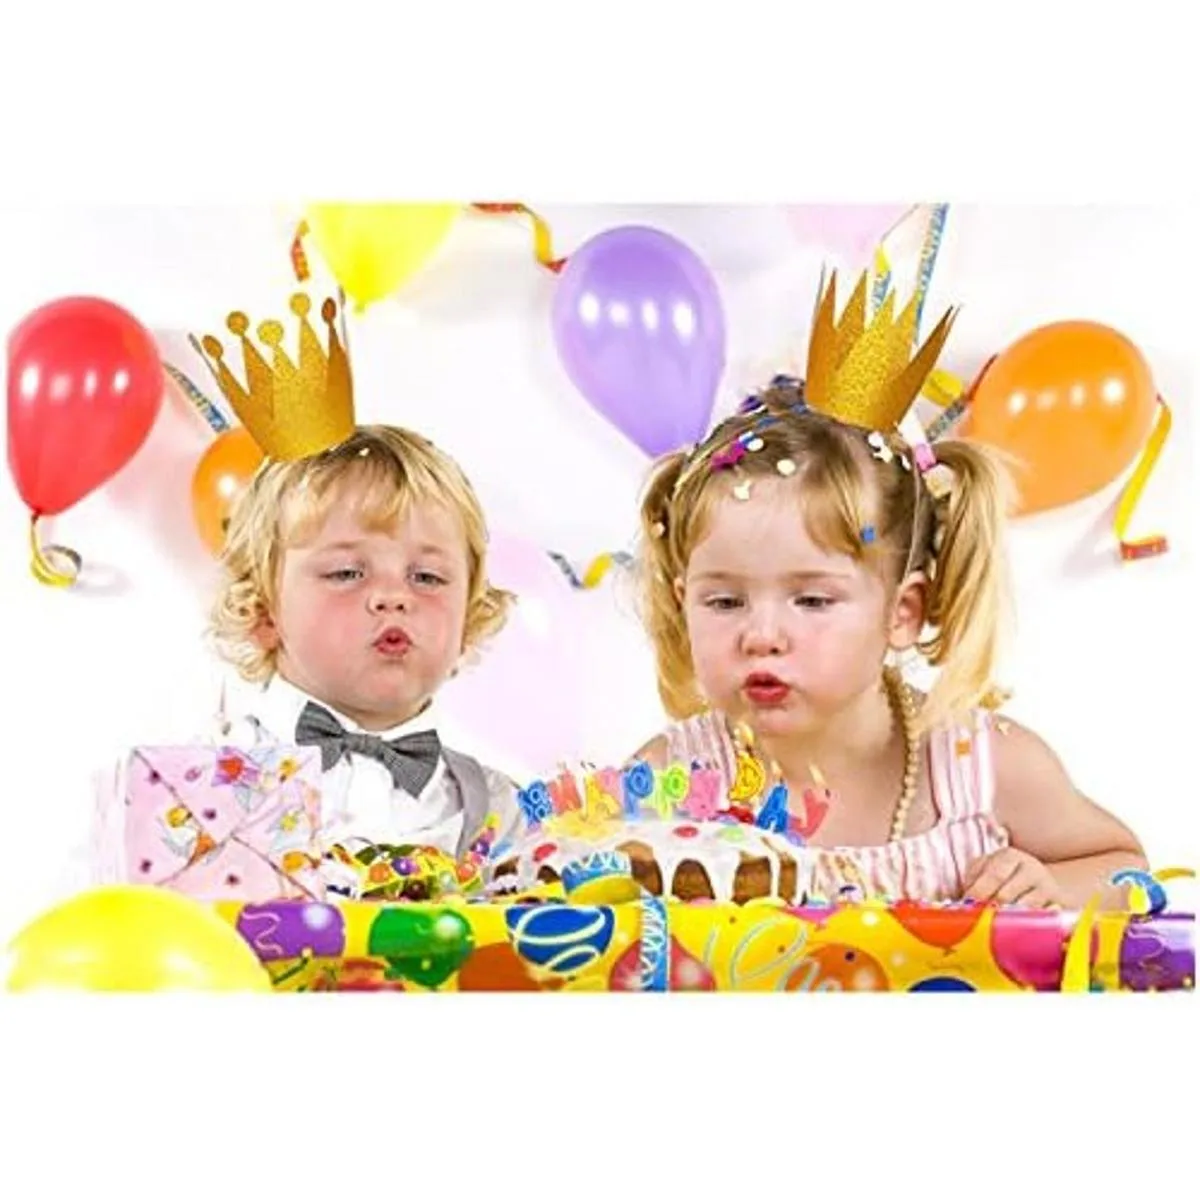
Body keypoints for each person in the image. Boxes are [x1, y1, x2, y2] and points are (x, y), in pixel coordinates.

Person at [628, 361, 1147, 909]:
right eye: (725, 602)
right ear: (683, 602)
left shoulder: (985, 768)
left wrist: (1055, 888)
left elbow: (1127, 869)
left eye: (812, 600)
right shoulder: (664, 783)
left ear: (902, 612)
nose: (761, 636)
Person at [204, 422, 524, 859]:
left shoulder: (505, 816)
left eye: (427, 577)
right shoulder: (200, 789)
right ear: (263, 610)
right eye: (347, 573)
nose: (393, 596)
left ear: (468, 617)